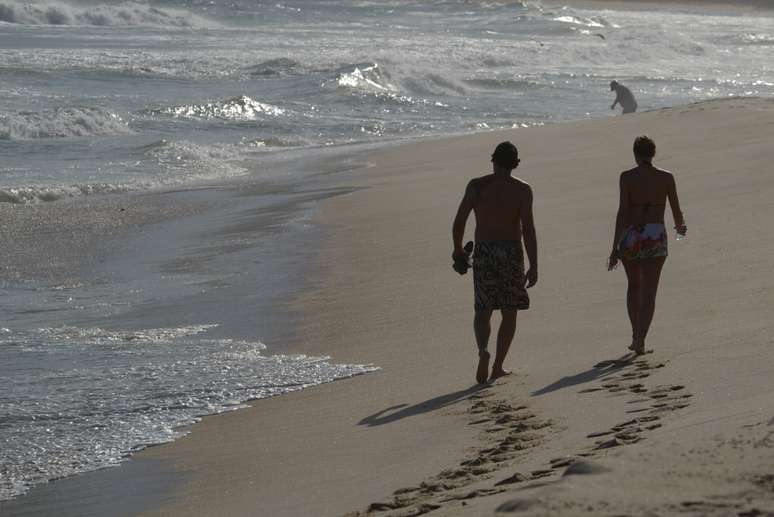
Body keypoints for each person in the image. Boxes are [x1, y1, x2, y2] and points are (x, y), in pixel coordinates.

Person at [452, 141, 538, 383]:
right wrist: (534, 264)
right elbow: (528, 229)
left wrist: (458, 249)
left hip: (485, 251)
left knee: (483, 309)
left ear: (493, 161)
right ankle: (498, 366)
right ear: (514, 164)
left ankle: (483, 351)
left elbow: (459, 221)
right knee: (509, 313)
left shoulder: (477, 186)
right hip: (511, 252)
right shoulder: (522, 190)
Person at [608, 136, 686, 355]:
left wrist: (614, 247)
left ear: (635, 153)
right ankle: (642, 338)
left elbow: (623, 212)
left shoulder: (627, 177)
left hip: (633, 234)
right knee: (650, 291)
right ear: (653, 153)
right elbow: (676, 210)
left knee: (634, 286)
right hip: (656, 234)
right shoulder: (666, 177)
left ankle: (635, 334)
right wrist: (680, 227)